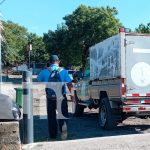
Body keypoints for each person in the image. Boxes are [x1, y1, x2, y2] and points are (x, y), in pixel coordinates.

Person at [37, 55, 73, 140]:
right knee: (63, 115)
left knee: (51, 117)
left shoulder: (45, 71)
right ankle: (64, 134)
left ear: (49, 62)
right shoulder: (63, 71)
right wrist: (73, 96)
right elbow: (69, 84)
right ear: (58, 61)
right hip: (61, 97)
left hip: (50, 98)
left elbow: (39, 80)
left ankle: (53, 136)